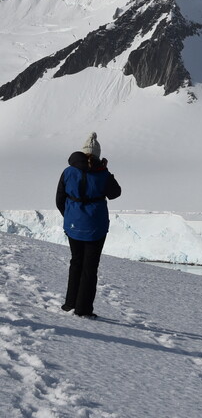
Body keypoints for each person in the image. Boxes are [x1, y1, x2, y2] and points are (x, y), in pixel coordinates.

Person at [56, 132, 121, 318]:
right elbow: (116, 193)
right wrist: (107, 172)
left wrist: (70, 216)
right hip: (96, 226)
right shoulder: (102, 173)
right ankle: (83, 309)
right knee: (89, 268)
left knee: (76, 262)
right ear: (98, 154)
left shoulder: (68, 171)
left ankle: (69, 304)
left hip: (73, 225)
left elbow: (59, 198)